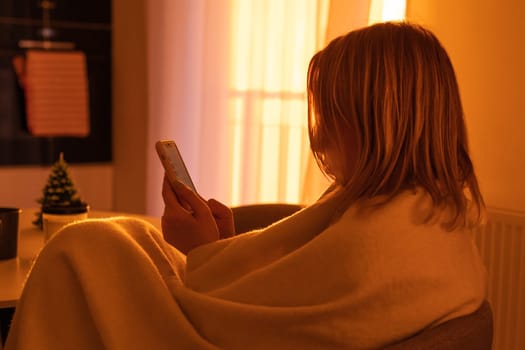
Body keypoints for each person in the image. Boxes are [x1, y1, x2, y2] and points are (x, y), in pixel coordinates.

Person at [6, 22, 487, 350]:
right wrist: (225, 246)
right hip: (221, 276)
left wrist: (205, 255)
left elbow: (231, 320)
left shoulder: (381, 242)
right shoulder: (429, 212)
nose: (318, 135)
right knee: (120, 237)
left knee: (80, 249)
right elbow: (293, 294)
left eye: (332, 117)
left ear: (374, 119)